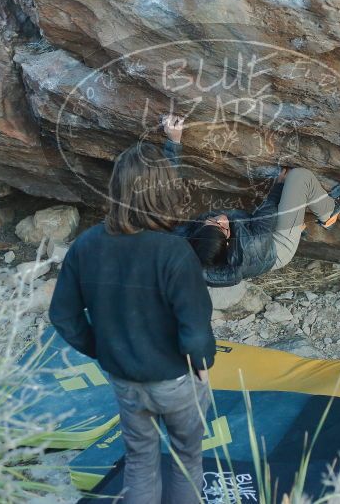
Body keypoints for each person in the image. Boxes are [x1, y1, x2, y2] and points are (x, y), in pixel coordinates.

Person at [48, 139, 216, 504]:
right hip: (174, 378)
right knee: (187, 459)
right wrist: (201, 363)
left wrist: (101, 349)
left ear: (116, 189)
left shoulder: (86, 245)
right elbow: (195, 327)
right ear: (165, 191)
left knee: (140, 460)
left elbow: (63, 314)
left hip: (124, 378)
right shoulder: (174, 252)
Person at [163, 114, 340, 287]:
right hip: (276, 247)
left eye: (211, 221)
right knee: (299, 178)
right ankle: (328, 213)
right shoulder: (252, 244)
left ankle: (296, 222)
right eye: (221, 226)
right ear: (228, 243)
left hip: (251, 238)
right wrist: (278, 184)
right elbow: (267, 212)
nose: (219, 217)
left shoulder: (181, 238)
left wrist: (173, 141)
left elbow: (169, 193)